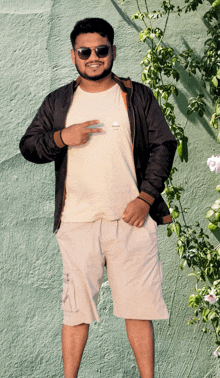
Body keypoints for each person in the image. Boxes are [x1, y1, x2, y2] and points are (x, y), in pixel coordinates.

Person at [19, 17, 177, 378]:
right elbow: (29, 146)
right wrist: (62, 137)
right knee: (76, 310)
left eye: (101, 50)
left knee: (139, 308)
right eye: (85, 51)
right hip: (77, 221)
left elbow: (163, 145)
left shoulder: (137, 96)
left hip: (130, 219)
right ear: (73, 55)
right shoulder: (59, 102)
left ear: (113, 52)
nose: (94, 57)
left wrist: (146, 197)